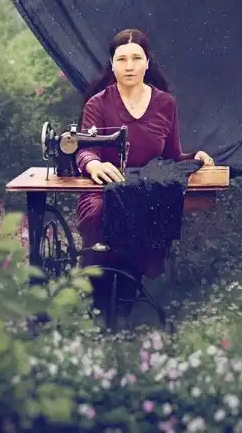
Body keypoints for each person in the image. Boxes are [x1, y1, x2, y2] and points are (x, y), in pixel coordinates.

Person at [75, 28, 214, 289]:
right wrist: (93, 164)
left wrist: (194, 157)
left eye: (136, 58)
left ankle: (126, 293)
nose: (129, 66)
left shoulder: (166, 104)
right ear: (112, 64)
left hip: (144, 190)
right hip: (103, 188)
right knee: (99, 213)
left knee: (141, 217)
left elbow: (172, 156)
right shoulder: (98, 104)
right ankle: (100, 290)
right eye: (121, 59)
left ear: (148, 63)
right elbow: (85, 149)